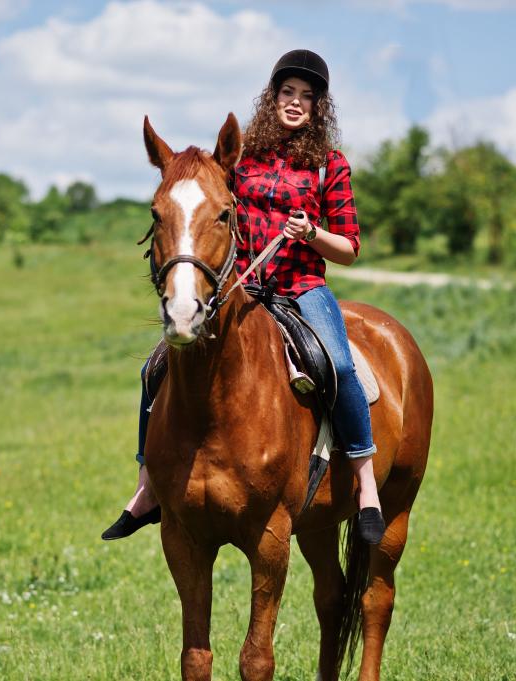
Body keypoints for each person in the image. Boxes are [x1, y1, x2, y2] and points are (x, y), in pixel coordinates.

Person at [102, 49, 386, 545]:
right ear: (272, 97)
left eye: (306, 96)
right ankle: (148, 484)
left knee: (340, 366)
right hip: (243, 288)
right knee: (155, 366)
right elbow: (206, 202)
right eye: (287, 92)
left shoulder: (330, 166)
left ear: (318, 106)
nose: (295, 102)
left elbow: (349, 248)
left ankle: (365, 484)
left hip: (302, 288)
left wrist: (311, 232)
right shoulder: (242, 160)